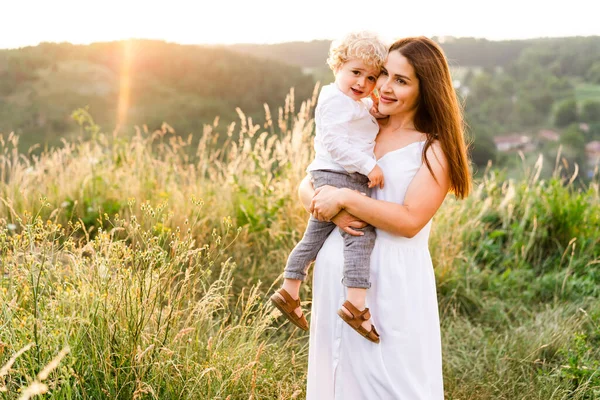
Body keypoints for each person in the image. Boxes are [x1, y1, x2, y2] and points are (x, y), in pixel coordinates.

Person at [304, 36, 472, 399]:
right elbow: (309, 185)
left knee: (394, 384)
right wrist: (333, 212)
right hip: (340, 281)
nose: (384, 87)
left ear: (426, 89)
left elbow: (410, 220)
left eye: (401, 80)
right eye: (385, 75)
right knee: (337, 381)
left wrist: (344, 198)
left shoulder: (433, 147)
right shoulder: (363, 124)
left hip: (394, 284)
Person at [270, 31, 387, 343]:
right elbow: (335, 143)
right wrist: (368, 167)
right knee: (361, 233)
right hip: (339, 176)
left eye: (371, 77)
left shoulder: (351, 100)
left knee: (314, 237)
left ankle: (289, 291)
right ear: (338, 66)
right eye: (356, 72)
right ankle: (355, 305)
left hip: (332, 175)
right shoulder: (335, 100)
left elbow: (357, 128)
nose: (362, 83)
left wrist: (372, 110)